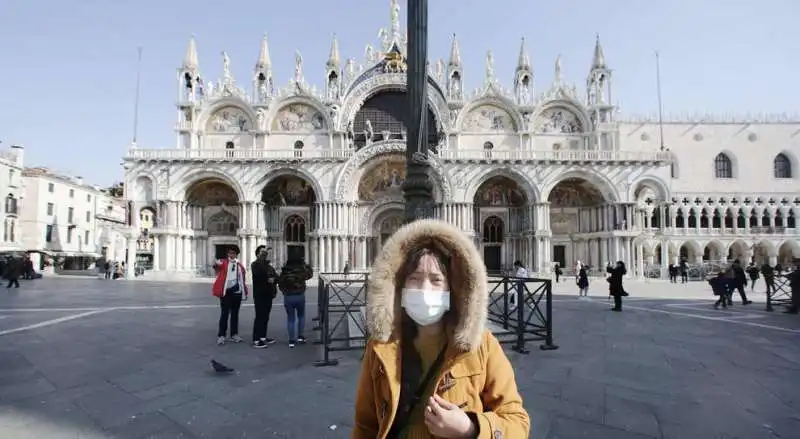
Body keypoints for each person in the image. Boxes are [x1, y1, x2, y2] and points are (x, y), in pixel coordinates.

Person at [352, 219, 530, 439]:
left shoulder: (482, 346)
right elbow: (365, 426)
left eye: (436, 280)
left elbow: (517, 422)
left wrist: (471, 429)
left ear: (453, 288)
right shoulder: (380, 348)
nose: (424, 289)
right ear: (399, 285)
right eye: (414, 279)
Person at [212, 247, 249, 345]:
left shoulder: (240, 266)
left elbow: (242, 280)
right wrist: (216, 264)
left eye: (233, 253)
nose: (231, 255)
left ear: (236, 254)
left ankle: (234, 334)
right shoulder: (223, 263)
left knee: (235, 314)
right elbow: (216, 267)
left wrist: (244, 291)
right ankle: (221, 335)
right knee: (224, 314)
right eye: (229, 253)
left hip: (237, 293)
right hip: (226, 293)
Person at [278, 254, 313, 348]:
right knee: (301, 316)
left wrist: (285, 292)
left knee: (290, 319)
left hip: (288, 297)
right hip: (300, 296)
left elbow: (280, 283)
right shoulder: (301, 271)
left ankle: (291, 341)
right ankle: (300, 337)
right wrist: (306, 265)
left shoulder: (284, 271)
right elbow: (310, 274)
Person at [251, 246, 278, 348]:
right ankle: (256, 340)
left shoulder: (268, 266)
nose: (265, 253)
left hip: (268, 294)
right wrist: (268, 279)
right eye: (262, 252)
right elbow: (260, 273)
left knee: (266, 316)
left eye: (265, 252)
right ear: (258, 254)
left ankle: (262, 336)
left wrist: (274, 280)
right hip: (259, 294)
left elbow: (276, 276)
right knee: (259, 316)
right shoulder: (255, 265)